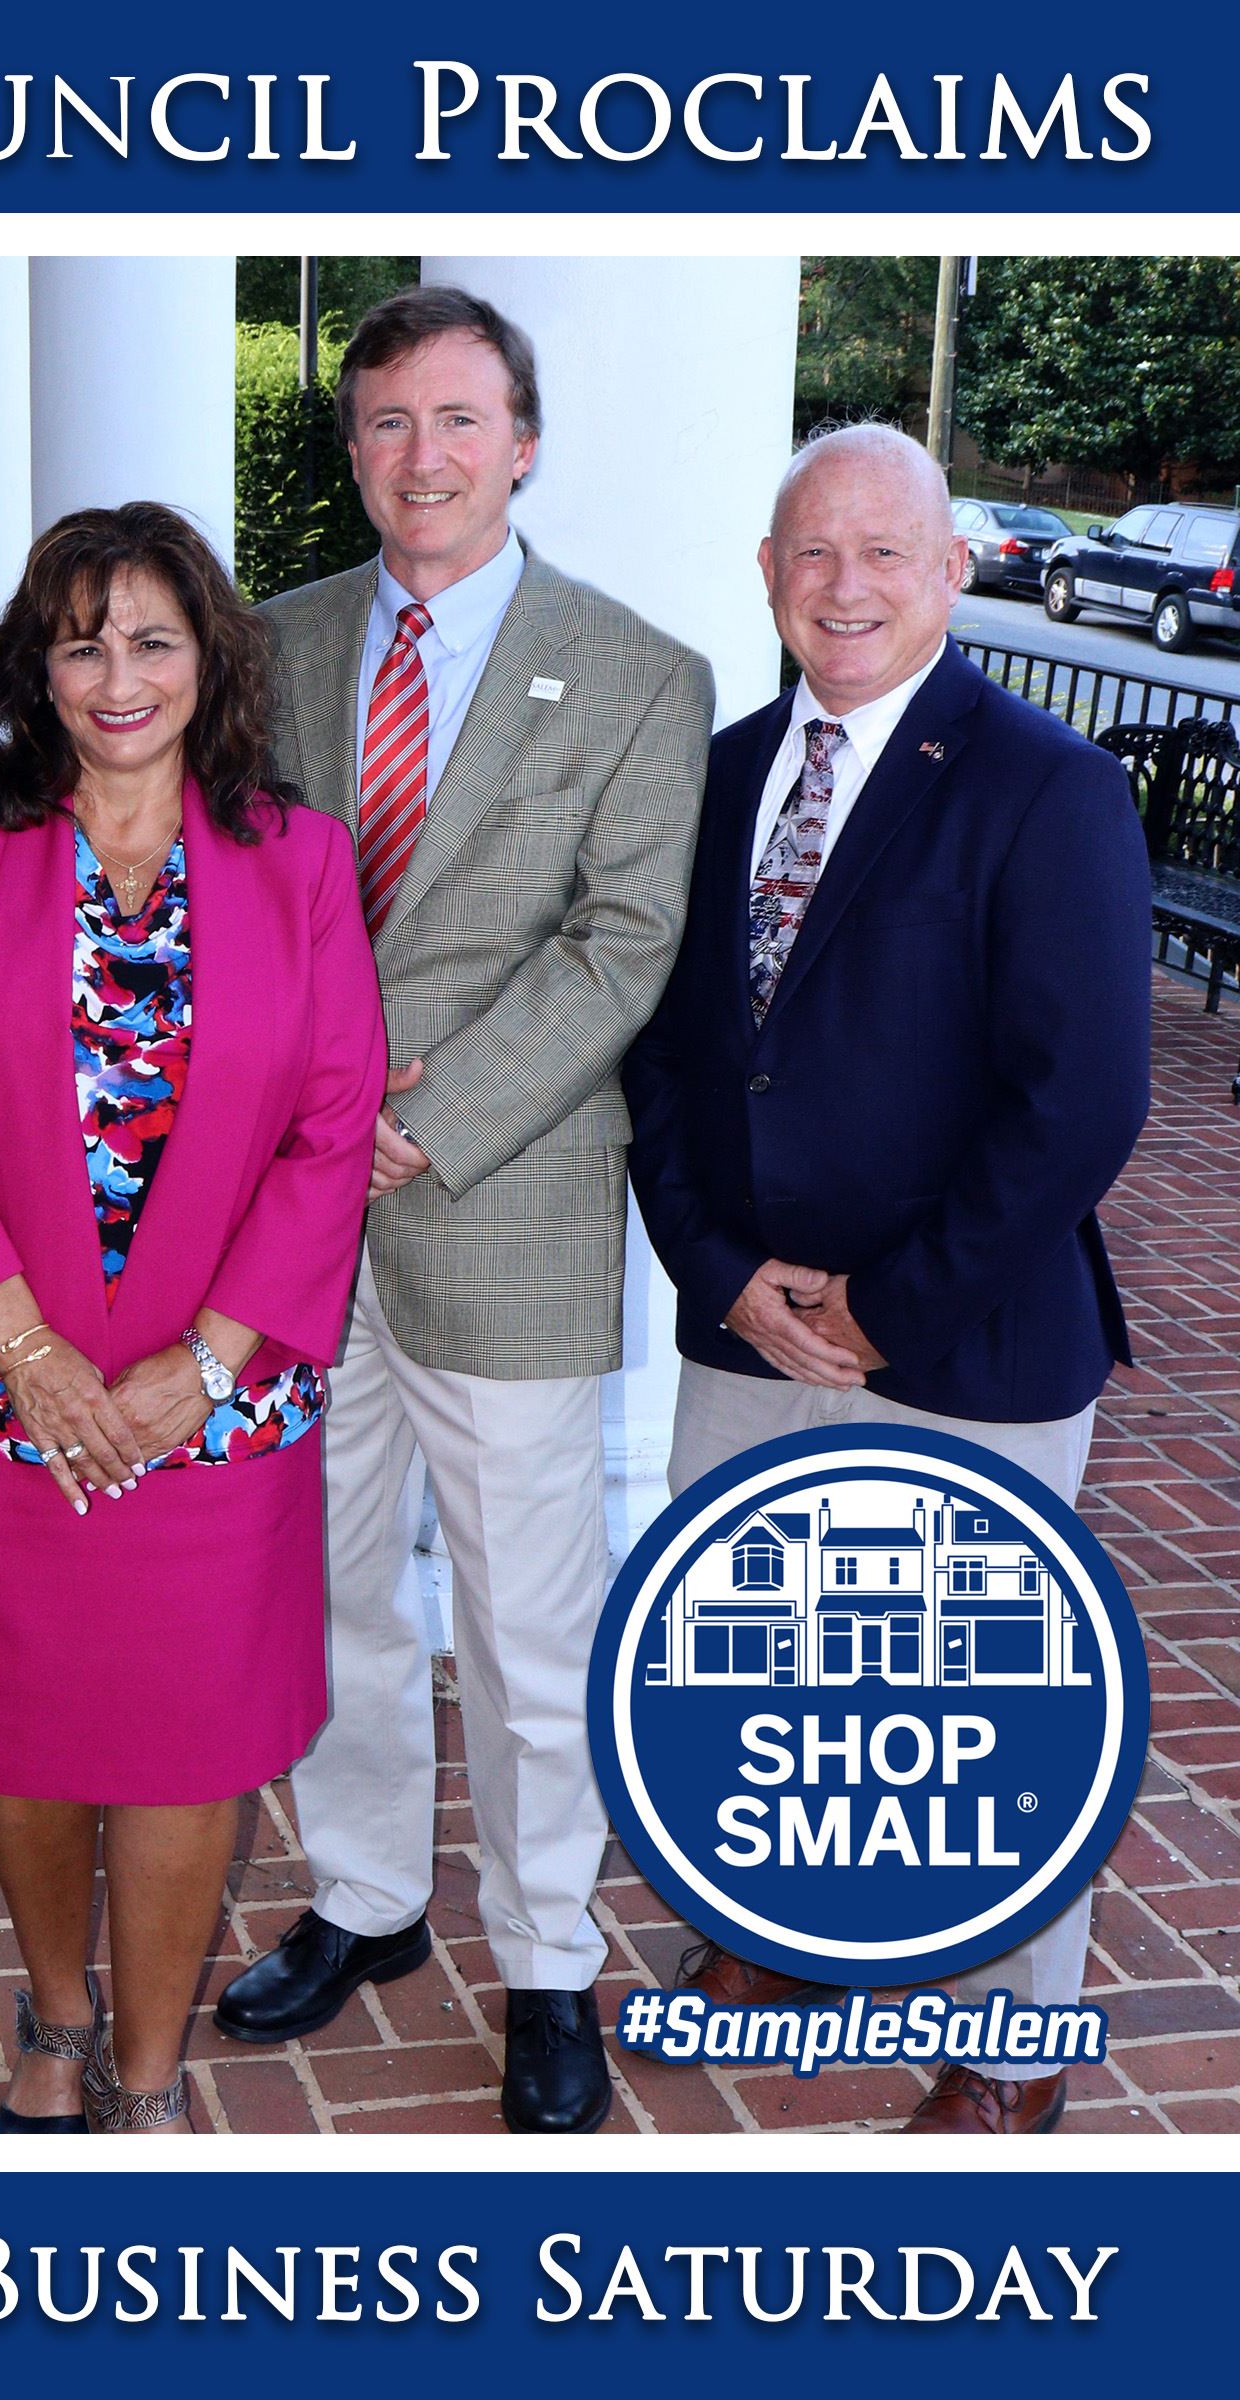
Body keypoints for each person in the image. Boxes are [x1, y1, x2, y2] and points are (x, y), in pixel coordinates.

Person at [212, 283, 715, 2135]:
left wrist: (437, 1120)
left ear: (522, 441)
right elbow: (228, 917)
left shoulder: (643, 669)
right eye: (384, 426)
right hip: (293, 1224)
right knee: (329, 1584)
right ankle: (364, 1897)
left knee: (525, 1622)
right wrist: (306, 1113)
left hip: (500, 1207)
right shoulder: (272, 648)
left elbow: (624, 944)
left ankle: (552, 1954)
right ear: (351, 451)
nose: (418, 458)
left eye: (454, 421)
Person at [623, 421, 1153, 2135]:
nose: (843, 586)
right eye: (809, 553)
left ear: (953, 569)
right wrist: (716, 1269)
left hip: (964, 1340)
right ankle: (787, 1944)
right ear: (769, 575)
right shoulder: (716, 773)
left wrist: (887, 1302)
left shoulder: (1044, 782)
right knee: (768, 1681)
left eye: (882, 553)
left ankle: (1014, 2048)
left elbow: (1081, 1098)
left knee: (989, 1712)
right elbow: (672, 1062)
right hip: (748, 1339)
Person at [0, 504, 386, 2134]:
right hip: (0, 1391)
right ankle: (53, 2017)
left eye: (152, 637)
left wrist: (205, 1363)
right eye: (81, 640)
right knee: (26, 1728)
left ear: (211, 658)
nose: (117, 673)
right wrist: (26, 1353)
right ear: (39, 664)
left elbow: (333, 1120)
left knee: (185, 1745)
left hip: (213, 1402)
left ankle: (147, 2076)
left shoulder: (292, 854)